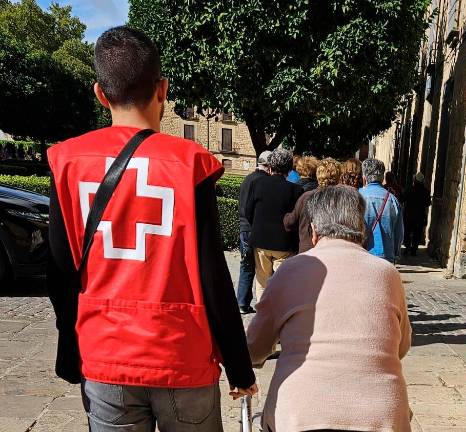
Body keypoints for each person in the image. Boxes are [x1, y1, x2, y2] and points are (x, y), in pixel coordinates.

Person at [46, 26, 256, 431]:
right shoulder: (190, 164)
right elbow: (214, 276)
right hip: (182, 356)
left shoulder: (67, 162)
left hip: (106, 356)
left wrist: (70, 346)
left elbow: (59, 273)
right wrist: (240, 368)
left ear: (100, 94)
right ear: (163, 89)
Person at [247, 185, 412, 432]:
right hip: (380, 417)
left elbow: (255, 347)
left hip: (301, 416)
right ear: (361, 230)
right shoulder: (387, 273)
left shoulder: (290, 271)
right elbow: (401, 346)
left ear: (313, 231)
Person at [246, 148, 304, 299]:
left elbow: (248, 211)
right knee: (282, 283)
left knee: (261, 282)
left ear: (270, 167)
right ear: (289, 169)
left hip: (260, 241)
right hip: (283, 244)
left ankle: (262, 314)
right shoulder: (295, 190)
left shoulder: (256, 184)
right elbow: (296, 219)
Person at [236, 150, 271, 314]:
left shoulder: (247, 178)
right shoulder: (264, 182)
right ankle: (262, 305)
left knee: (246, 265)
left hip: (244, 227)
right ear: (269, 165)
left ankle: (242, 302)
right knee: (262, 269)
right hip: (255, 229)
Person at [283, 158, 340, 253]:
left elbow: (290, 222)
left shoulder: (306, 196)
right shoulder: (342, 199)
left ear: (318, 175)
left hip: (307, 249)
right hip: (332, 251)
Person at [359, 158, 404, 263]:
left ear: (364, 177)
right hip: (386, 259)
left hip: (361, 257)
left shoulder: (357, 197)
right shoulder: (393, 200)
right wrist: (395, 254)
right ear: (382, 177)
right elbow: (399, 233)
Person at [403, 172, 431, 256]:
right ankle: (414, 249)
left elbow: (403, 198)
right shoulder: (425, 191)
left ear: (414, 180)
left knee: (407, 232)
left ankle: (407, 247)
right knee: (417, 233)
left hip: (408, 215)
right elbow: (428, 203)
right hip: (419, 216)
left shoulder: (409, 189)